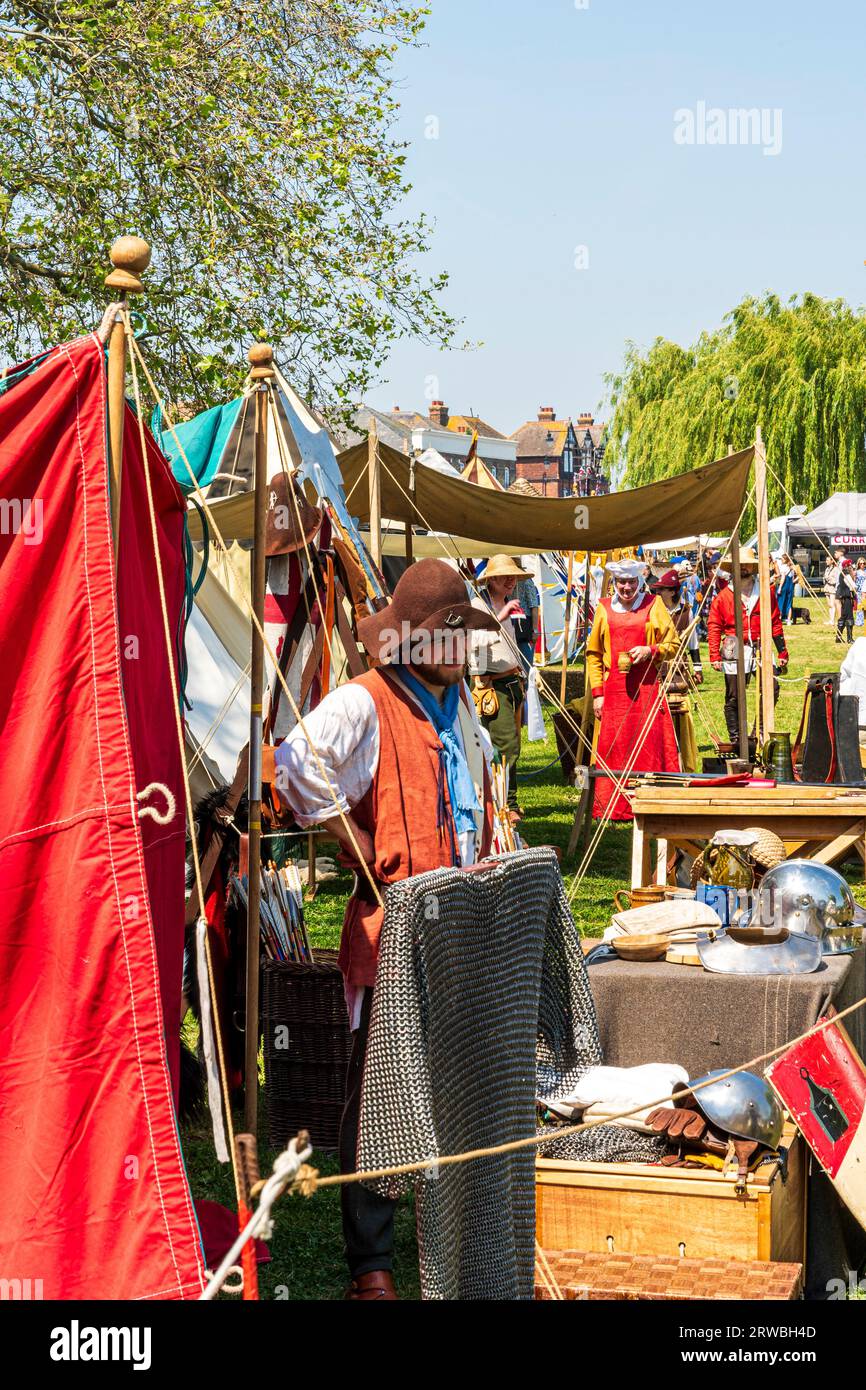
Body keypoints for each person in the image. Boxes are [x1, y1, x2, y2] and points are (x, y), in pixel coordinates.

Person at [268, 558, 498, 1300]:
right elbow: (296, 762)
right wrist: (353, 839)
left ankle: (451, 1242)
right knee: (378, 1101)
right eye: (452, 636)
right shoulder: (367, 703)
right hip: (395, 934)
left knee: (454, 1093)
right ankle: (371, 1266)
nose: (462, 649)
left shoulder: (460, 705)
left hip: (463, 930)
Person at [586, 558, 681, 821]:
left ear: (639, 582)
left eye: (630, 582)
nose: (626, 587)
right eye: (621, 582)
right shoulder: (604, 609)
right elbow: (593, 654)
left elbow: (673, 643)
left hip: (646, 688)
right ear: (614, 584)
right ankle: (614, 807)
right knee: (615, 747)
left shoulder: (653, 605)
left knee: (649, 745)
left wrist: (650, 650)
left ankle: (652, 801)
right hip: (614, 692)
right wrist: (598, 694)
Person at [707, 548, 789, 747]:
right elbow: (714, 626)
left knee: (772, 688)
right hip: (734, 646)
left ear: (753, 567)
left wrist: (782, 651)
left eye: (747, 565)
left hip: (761, 646)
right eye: (739, 565)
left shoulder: (765, 591)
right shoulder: (723, 596)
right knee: (734, 695)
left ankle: (758, 732)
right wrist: (714, 655)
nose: (743, 568)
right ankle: (736, 738)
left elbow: (775, 621)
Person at [469, 554, 529, 819]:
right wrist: (500, 616)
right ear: (490, 580)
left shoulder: (503, 603)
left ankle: (508, 800)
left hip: (512, 682)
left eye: (513, 575)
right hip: (492, 686)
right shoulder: (478, 605)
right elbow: (473, 643)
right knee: (504, 746)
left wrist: (523, 675)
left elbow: (510, 646)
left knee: (512, 744)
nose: (511, 580)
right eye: (505, 576)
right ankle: (506, 803)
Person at [649, 569, 703, 774]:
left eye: (661, 589)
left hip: (679, 669)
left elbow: (694, 644)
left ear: (672, 592)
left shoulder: (686, 612)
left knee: (681, 714)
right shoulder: (654, 610)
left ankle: (682, 760)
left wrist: (697, 668)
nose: (657, 593)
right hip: (657, 668)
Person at [513, 564, 542, 671]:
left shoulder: (526, 581)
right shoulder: (505, 581)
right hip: (510, 623)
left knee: (526, 664)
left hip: (523, 626)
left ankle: (527, 686)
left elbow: (534, 606)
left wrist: (535, 630)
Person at [836, 558, 857, 644]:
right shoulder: (846, 575)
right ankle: (849, 638)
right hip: (847, 598)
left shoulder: (843, 574)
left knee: (843, 617)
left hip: (845, 598)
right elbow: (853, 587)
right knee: (849, 618)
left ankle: (838, 637)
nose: (851, 567)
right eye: (850, 565)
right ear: (847, 566)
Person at [775, 552, 795, 624]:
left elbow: (783, 577)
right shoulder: (792, 568)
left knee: (780, 602)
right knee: (789, 603)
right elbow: (794, 579)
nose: (781, 560)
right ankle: (789, 620)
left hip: (784, 585)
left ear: (785, 560)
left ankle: (779, 620)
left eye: (782, 559)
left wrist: (780, 587)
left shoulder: (783, 567)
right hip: (791, 586)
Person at [855, 557, 866, 630]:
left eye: (864, 563)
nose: (862, 565)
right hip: (859, 591)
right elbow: (854, 581)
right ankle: (859, 621)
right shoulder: (856, 572)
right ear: (858, 564)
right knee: (860, 605)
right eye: (861, 563)